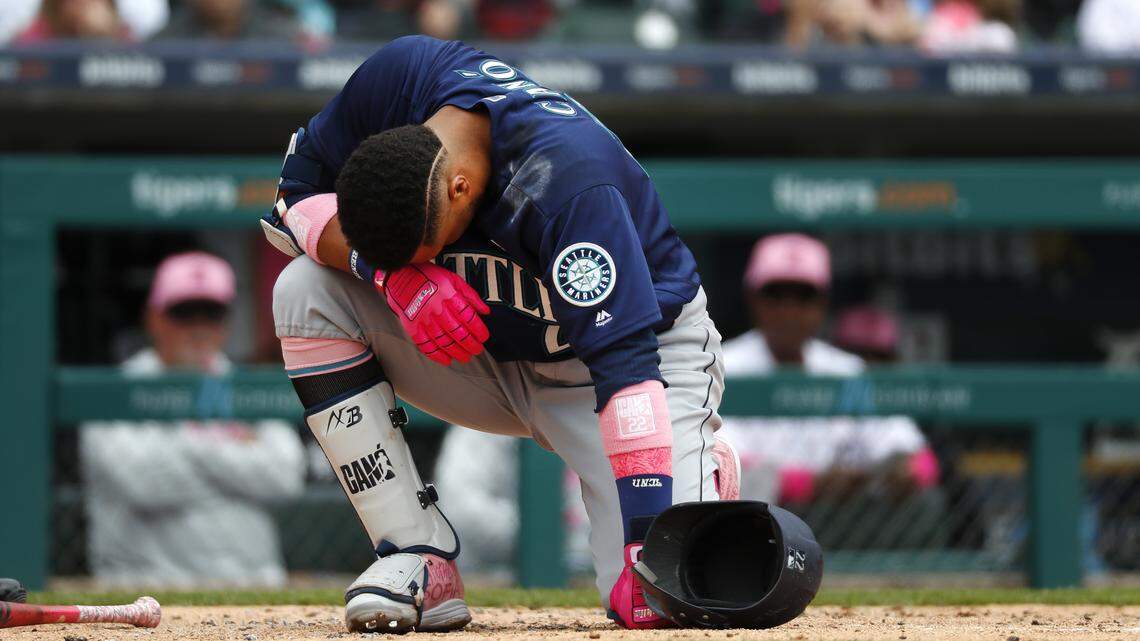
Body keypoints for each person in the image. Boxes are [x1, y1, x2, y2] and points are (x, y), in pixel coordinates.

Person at [263, 35, 740, 632]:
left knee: (662, 605)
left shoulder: (569, 181)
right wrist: (393, 278)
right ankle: (418, 555)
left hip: (629, 369)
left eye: (423, 253)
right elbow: (293, 197)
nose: (418, 263)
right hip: (485, 350)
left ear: (460, 188)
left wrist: (645, 545)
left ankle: (694, 471)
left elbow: (627, 369)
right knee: (304, 291)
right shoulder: (401, 81)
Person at [80, 252, 306, 588]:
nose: (199, 327)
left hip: (252, 587)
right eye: (183, 313)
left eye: (211, 314)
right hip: (146, 589)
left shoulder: (244, 386)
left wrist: (185, 448)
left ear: (226, 322)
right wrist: (233, 454)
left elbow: (286, 476)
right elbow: (142, 483)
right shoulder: (118, 389)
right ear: (154, 317)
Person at [717, 234, 937, 505]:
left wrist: (899, 473)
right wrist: (814, 484)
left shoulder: (846, 370)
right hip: (755, 519)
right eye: (776, 294)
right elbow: (723, 469)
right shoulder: (723, 365)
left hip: (842, 519)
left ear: (822, 303)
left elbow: (920, 460)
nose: (789, 310)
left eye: (804, 296)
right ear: (753, 299)